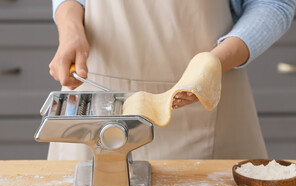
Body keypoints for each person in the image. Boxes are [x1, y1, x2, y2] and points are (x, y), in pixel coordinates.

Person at [48, 0, 296, 160]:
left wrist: (212, 65)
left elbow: (274, 3)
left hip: (203, 102)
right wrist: (70, 30)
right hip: (96, 99)